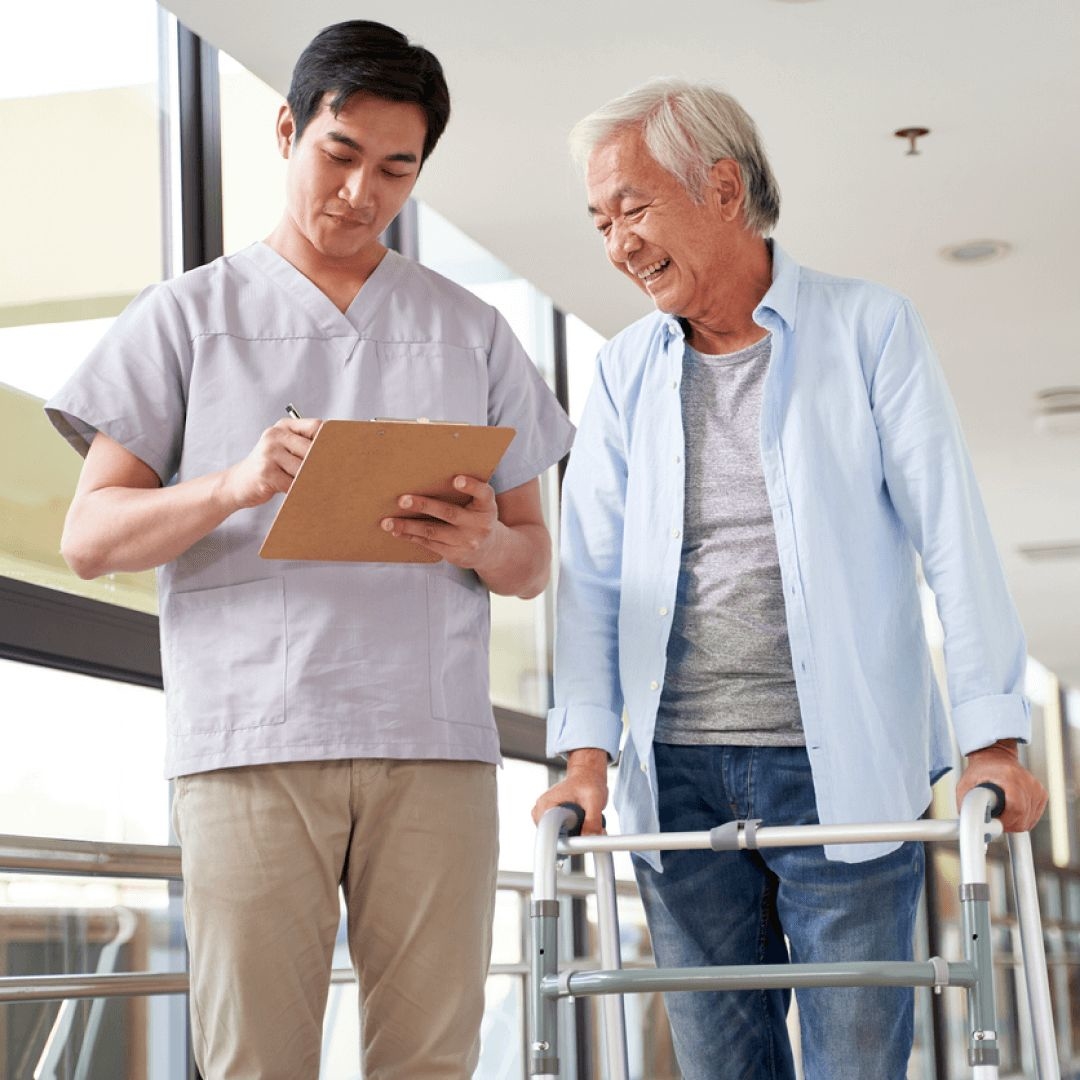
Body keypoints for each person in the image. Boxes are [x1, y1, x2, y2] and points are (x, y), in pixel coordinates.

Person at [47, 20, 573, 1080]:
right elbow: (88, 539)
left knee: (429, 1059)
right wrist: (236, 482)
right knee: (254, 1061)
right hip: (251, 741)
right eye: (339, 154)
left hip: (433, 746)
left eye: (395, 169)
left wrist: (482, 540)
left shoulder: (470, 330)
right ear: (287, 129)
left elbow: (530, 559)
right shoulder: (186, 320)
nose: (360, 191)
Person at [532, 78, 1046, 1080]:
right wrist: (586, 760)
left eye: (632, 208)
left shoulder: (870, 330)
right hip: (676, 776)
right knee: (723, 1067)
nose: (617, 245)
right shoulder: (623, 369)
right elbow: (591, 575)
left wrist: (994, 742)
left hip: (839, 765)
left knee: (855, 1062)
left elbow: (954, 535)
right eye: (600, 222)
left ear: (722, 188)